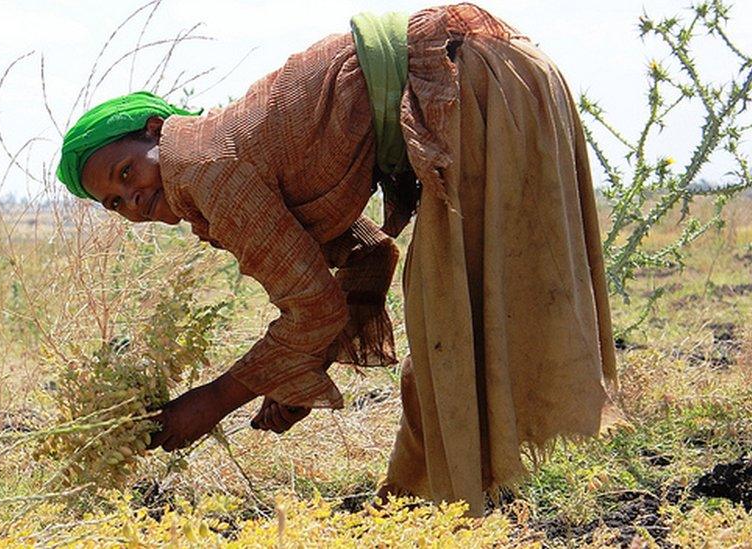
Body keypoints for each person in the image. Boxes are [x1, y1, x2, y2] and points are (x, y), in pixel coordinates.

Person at [55, 3, 617, 514]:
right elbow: (370, 254)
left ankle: (433, 509)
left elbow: (314, 308)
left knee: (447, 311)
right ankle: (432, 504)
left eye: (127, 173)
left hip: (467, 82)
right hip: (497, 72)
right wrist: (300, 372)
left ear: (155, 131)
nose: (131, 200)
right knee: (446, 309)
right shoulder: (215, 162)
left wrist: (210, 401)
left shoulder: (205, 168)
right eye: (114, 203)